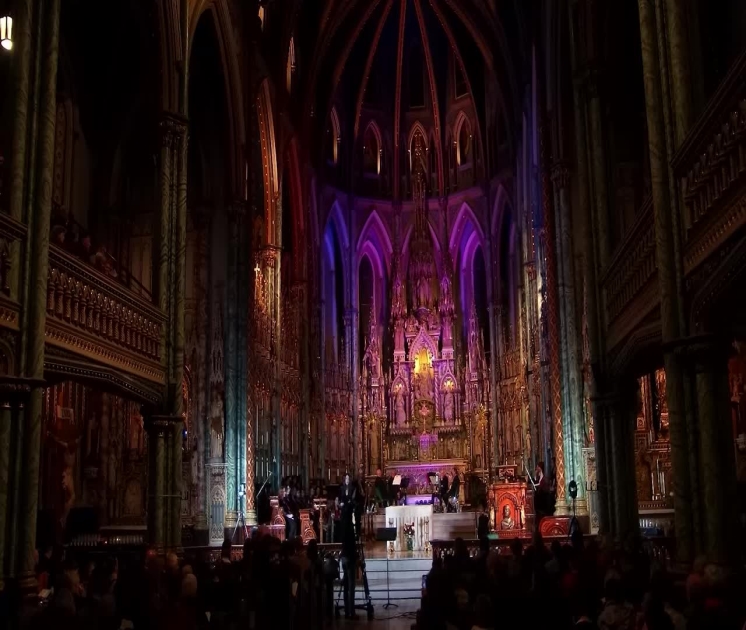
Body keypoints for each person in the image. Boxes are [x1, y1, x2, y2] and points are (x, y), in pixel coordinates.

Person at [340, 512, 359, 620]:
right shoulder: (350, 528)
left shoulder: (342, 526)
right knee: (351, 586)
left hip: (343, 557)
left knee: (346, 586)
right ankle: (352, 612)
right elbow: (352, 545)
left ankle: (347, 611)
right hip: (350, 558)